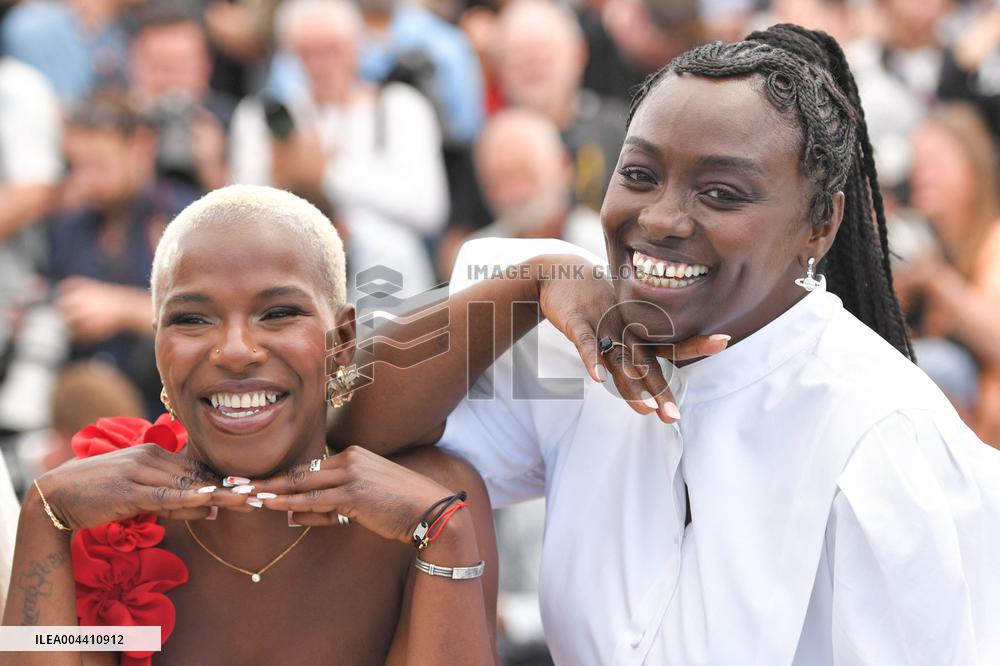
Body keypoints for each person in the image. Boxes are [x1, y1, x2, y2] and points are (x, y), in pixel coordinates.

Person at [335, 24, 1000, 664]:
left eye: (720, 192)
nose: (660, 219)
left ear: (819, 225)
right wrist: (529, 284)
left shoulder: (881, 438)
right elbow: (347, 428)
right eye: (641, 175)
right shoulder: (585, 353)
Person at [2, 185, 497, 665]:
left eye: (278, 313)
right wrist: (44, 518)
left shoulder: (431, 504)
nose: (236, 351)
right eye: (192, 320)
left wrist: (445, 535)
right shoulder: (102, 515)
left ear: (343, 340)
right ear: (157, 347)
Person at [229, 0, 449, 244]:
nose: (320, 64)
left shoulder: (401, 106)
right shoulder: (261, 114)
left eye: (333, 50)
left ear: (359, 47)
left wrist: (329, 175)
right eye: (307, 53)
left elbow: (427, 209)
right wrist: (284, 176)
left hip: (392, 270)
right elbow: (246, 210)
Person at [49, 93, 199, 418]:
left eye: (100, 165)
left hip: (168, 409)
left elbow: (210, 319)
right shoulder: (71, 226)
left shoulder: (186, 220)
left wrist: (121, 309)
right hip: (87, 411)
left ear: (141, 147)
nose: (85, 182)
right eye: (77, 167)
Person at [894, 103, 1000, 446]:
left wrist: (936, 279)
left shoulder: (994, 240)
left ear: (975, 169)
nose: (922, 176)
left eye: (936, 164)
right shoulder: (924, 248)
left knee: (938, 364)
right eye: (918, 165)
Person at [438, 108, 606, 277]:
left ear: (563, 166)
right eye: (497, 181)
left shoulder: (606, 247)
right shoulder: (472, 259)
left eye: (524, 174)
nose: (513, 194)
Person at [495, 0, 628, 213]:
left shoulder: (619, 128)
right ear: (500, 66)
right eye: (519, 54)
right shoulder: (491, 144)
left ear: (578, 54)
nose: (532, 64)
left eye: (543, 52)